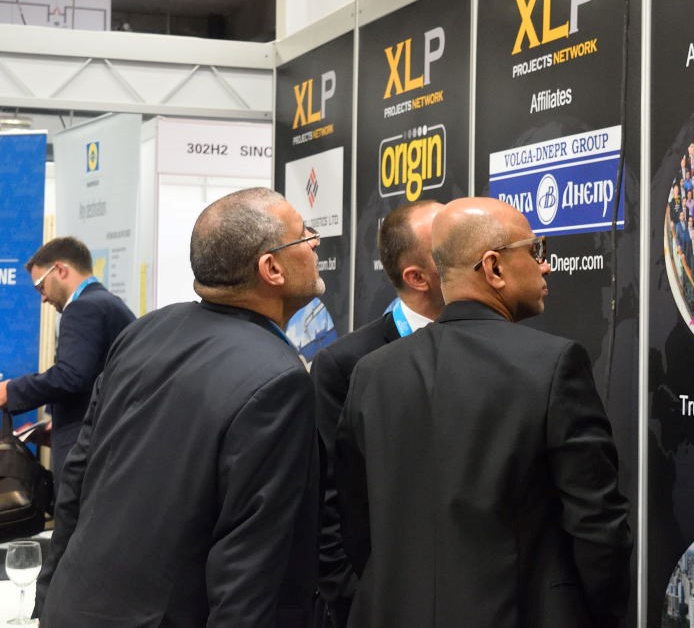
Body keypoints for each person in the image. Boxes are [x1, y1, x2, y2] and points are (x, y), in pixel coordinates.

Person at [334, 197, 632, 628]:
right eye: (535, 250)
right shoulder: (553, 366)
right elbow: (597, 525)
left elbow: (354, 521)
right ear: (493, 268)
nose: (546, 266)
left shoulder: (371, 372)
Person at [36, 188, 323, 627]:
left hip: (74, 607)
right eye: (304, 235)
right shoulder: (278, 379)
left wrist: (48, 599)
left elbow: (77, 478)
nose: (316, 243)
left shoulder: (146, 330)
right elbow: (249, 562)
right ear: (272, 269)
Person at [310, 200, 444, 627]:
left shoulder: (504, 348)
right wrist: (355, 600)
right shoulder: (346, 363)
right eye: (450, 245)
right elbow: (328, 501)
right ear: (417, 277)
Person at [0, 237, 134, 492]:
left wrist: (12, 390)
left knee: (72, 517)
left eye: (41, 286)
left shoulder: (82, 309)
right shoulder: (110, 304)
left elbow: (71, 375)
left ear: (60, 270)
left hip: (86, 452)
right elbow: (93, 377)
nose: (43, 298)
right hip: (107, 443)